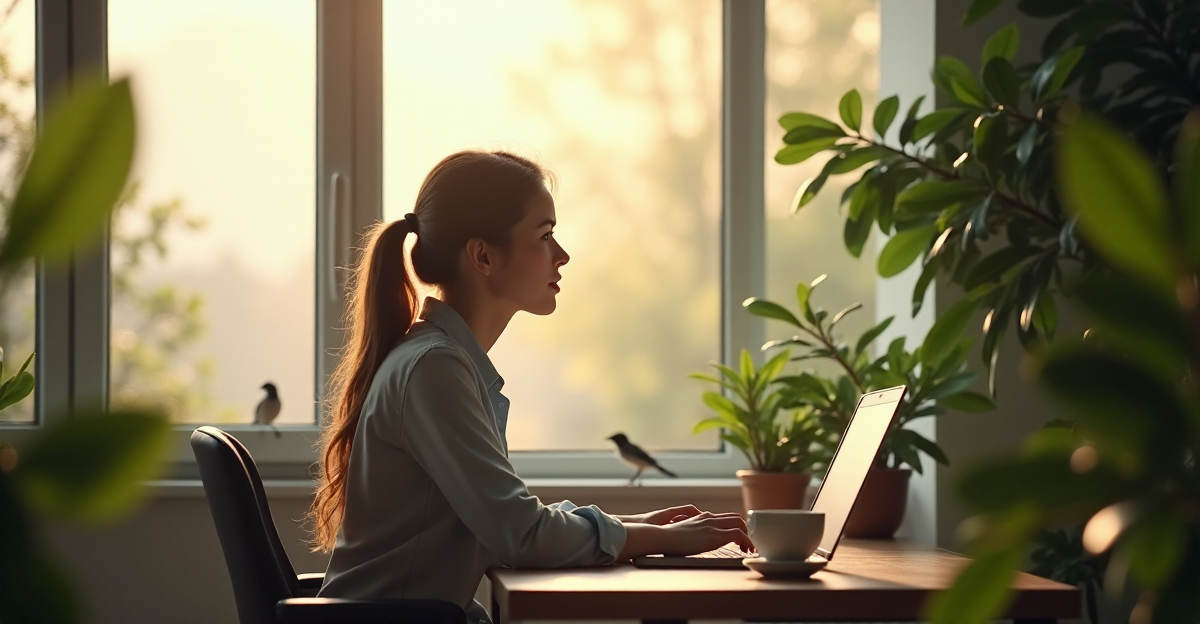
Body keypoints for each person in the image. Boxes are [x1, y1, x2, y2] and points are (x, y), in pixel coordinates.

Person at [308, 150, 753, 623]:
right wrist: (659, 540)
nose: (562, 255)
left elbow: (509, 518)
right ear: (482, 255)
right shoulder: (434, 369)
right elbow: (517, 534)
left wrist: (635, 527)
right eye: (544, 235)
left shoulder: (443, 362)